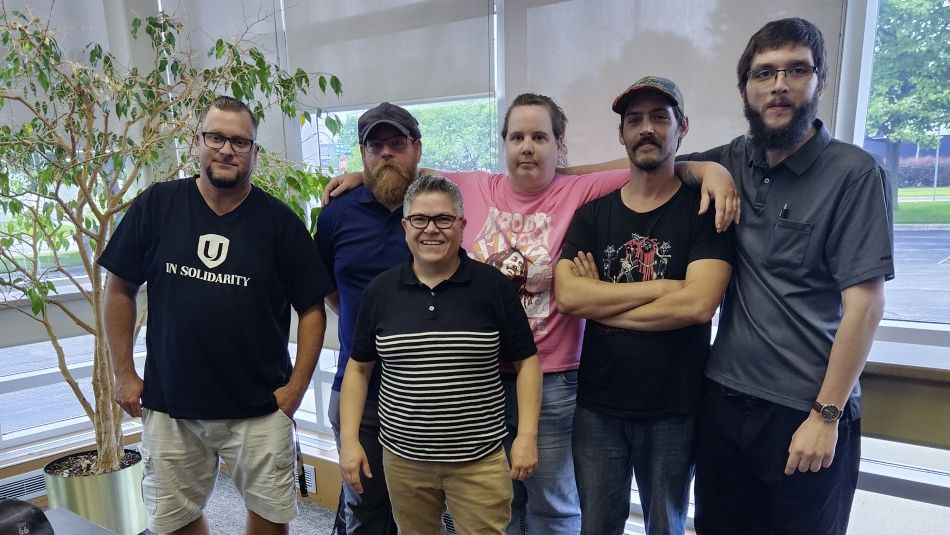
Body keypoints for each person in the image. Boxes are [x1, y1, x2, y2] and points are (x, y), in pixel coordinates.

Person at [325, 94, 739, 535]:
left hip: (551, 378)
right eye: (517, 137)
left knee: (552, 504)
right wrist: (357, 174)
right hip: (477, 379)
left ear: (559, 145)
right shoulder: (472, 186)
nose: (527, 147)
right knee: (492, 500)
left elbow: (653, 166)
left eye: (540, 137)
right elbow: (403, 173)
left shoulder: (580, 190)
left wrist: (707, 169)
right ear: (502, 144)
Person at [679, 18, 893, 534]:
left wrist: (826, 416)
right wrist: (705, 170)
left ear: (819, 82)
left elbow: (865, 306)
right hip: (724, 403)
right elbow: (662, 165)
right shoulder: (735, 157)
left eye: (797, 70)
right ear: (745, 90)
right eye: (764, 73)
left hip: (804, 413)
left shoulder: (856, 174)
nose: (779, 85)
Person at [100, 95, 334, 535]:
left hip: (260, 406)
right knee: (173, 520)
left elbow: (311, 308)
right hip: (171, 403)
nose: (227, 149)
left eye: (240, 142)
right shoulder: (156, 205)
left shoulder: (280, 223)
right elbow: (119, 289)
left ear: (254, 153)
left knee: (271, 517)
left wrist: (296, 390)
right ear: (198, 142)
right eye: (217, 137)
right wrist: (124, 373)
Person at [555, 77, 734, 535]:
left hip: (674, 409)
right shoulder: (593, 214)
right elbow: (571, 296)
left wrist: (602, 303)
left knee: (666, 527)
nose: (646, 129)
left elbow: (697, 306)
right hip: (598, 408)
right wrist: (662, 288)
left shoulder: (703, 210)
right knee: (595, 527)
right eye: (634, 120)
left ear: (682, 127)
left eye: (659, 117)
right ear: (622, 135)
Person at [339, 175, 542, 535]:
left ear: (462, 225)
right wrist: (351, 441)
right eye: (420, 219)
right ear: (405, 227)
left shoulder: (493, 286)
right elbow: (358, 369)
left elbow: (527, 362)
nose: (431, 230)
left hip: (478, 461)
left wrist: (525, 436)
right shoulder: (380, 291)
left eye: (443, 219)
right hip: (404, 462)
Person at [316, 102, 423, 534]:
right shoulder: (337, 213)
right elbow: (325, 286)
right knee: (363, 509)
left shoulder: (437, 209)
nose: (385, 154)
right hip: (357, 390)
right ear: (362, 153)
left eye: (396, 144)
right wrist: (366, 321)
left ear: (416, 148)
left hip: (424, 395)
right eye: (374, 146)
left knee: (417, 512)